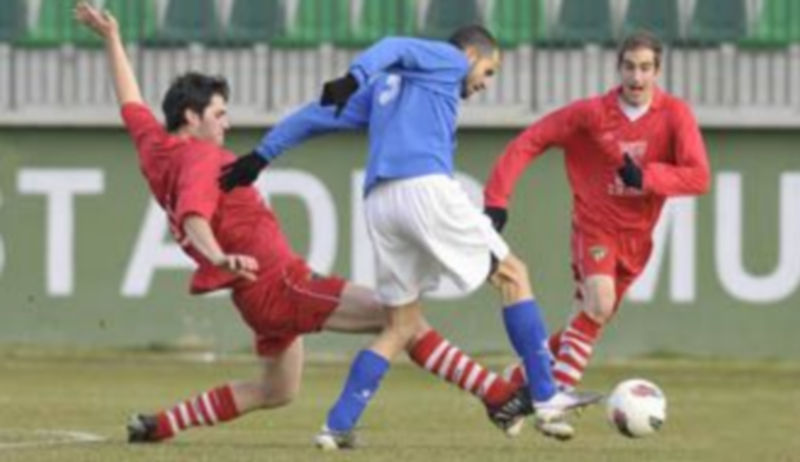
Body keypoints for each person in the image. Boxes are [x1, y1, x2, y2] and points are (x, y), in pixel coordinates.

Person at [73, 2, 533, 444]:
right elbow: (194, 213)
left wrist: (112, 38)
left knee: (278, 391)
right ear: (191, 118)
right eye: (218, 114)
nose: (226, 125)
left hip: (255, 296)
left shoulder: (156, 147)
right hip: (281, 282)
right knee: (402, 321)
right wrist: (217, 255)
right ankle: (496, 395)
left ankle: (161, 424)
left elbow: (129, 101)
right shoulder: (200, 156)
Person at [220, 26, 601, 450]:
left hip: (380, 203)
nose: (483, 83)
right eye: (489, 71)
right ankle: (548, 397)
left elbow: (315, 116)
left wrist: (262, 155)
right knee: (513, 274)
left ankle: (336, 425)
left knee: (400, 324)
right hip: (424, 188)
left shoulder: (386, 87)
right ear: (473, 54)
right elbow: (395, 45)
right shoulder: (448, 59)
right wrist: (355, 74)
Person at [483, 31, 711, 393]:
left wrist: (647, 177)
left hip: (637, 238)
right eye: (630, 67)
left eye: (646, 68)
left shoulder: (674, 115)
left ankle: (514, 384)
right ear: (618, 68)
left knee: (587, 321)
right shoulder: (590, 114)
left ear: (658, 71)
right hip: (595, 226)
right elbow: (530, 141)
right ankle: (553, 402)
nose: (637, 78)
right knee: (599, 303)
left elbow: (699, 177)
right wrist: (496, 198)